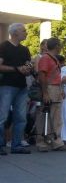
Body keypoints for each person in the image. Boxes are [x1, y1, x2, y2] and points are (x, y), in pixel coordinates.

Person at [0, 23, 32, 155]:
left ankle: (16, 145)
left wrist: (27, 69)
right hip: (6, 85)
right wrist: (16, 69)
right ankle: (1, 145)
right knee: (2, 117)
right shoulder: (3, 47)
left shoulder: (25, 50)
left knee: (21, 117)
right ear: (14, 33)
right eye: (23, 31)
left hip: (22, 87)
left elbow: (28, 65)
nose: (26, 33)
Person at [36, 38, 66, 152]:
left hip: (56, 88)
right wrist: (45, 93)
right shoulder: (45, 58)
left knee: (56, 117)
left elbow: (56, 76)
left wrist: (61, 89)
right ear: (56, 46)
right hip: (49, 88)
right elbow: (42, 76)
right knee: (44, 115)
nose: (61, 47)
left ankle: (56, 142)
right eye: (60, 45)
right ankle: (41, 142)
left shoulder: (53, 58)